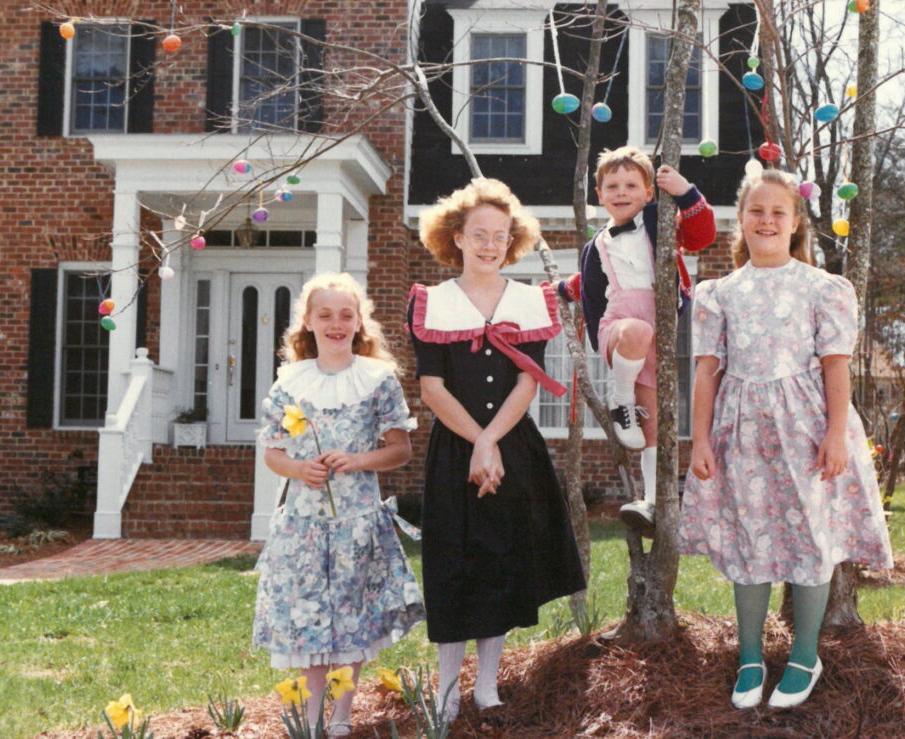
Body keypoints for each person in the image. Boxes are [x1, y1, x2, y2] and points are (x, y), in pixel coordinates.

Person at [681, 168, 893, 709]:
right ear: (742, 220)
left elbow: (836, 367)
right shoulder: (719, 293)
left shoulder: (822, 287)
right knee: (749, 540)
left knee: (811, 540)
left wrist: (837, 433)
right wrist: (699, 440)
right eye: (757, 211)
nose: (767, 220)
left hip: (808, 428)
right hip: (742, 430)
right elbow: (706, 371)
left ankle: (804, 654)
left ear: (795, 222)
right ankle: (749, 654)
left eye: (779, 212)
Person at [409, 178, 586, 723]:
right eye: (479, 234)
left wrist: (495, 441)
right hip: (454, 450)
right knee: (453, 562)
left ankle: (487, 684)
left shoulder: (529, 302)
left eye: (501, 236)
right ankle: (445, 688)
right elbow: (431, 388)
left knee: (500, 563)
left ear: (513, 242)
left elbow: (527, 384)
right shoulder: (432, 302)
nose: (490, 245)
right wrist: (478, 442)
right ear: (456, 237)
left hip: (514, 447)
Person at [253, 272, 425, 737]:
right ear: (308, 322)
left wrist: (355, 460)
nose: (335, 323)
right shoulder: (290, 383)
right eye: (325, 315)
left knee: (351, 622)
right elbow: (272, 452)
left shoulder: (377, 380)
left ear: (359, 323)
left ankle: (343, 717)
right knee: (309, 622)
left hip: (356, 524)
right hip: (305, 526)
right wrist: (299, 469)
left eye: (346, 315)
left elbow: (400, 449)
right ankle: (310, 721)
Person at [556, 146, 716, 534]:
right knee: (636, 331)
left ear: (648, 193)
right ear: (600, 194)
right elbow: (590, 283)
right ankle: (619, 397)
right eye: (613, 185)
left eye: (631, 184)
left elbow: (701, 236)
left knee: (653, 426)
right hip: (620, 326)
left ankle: (651, 500)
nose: (621, 191)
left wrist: (686, 193)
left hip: (657, 334)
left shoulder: (658, 224)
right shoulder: (598, 243)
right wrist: (559, 288)